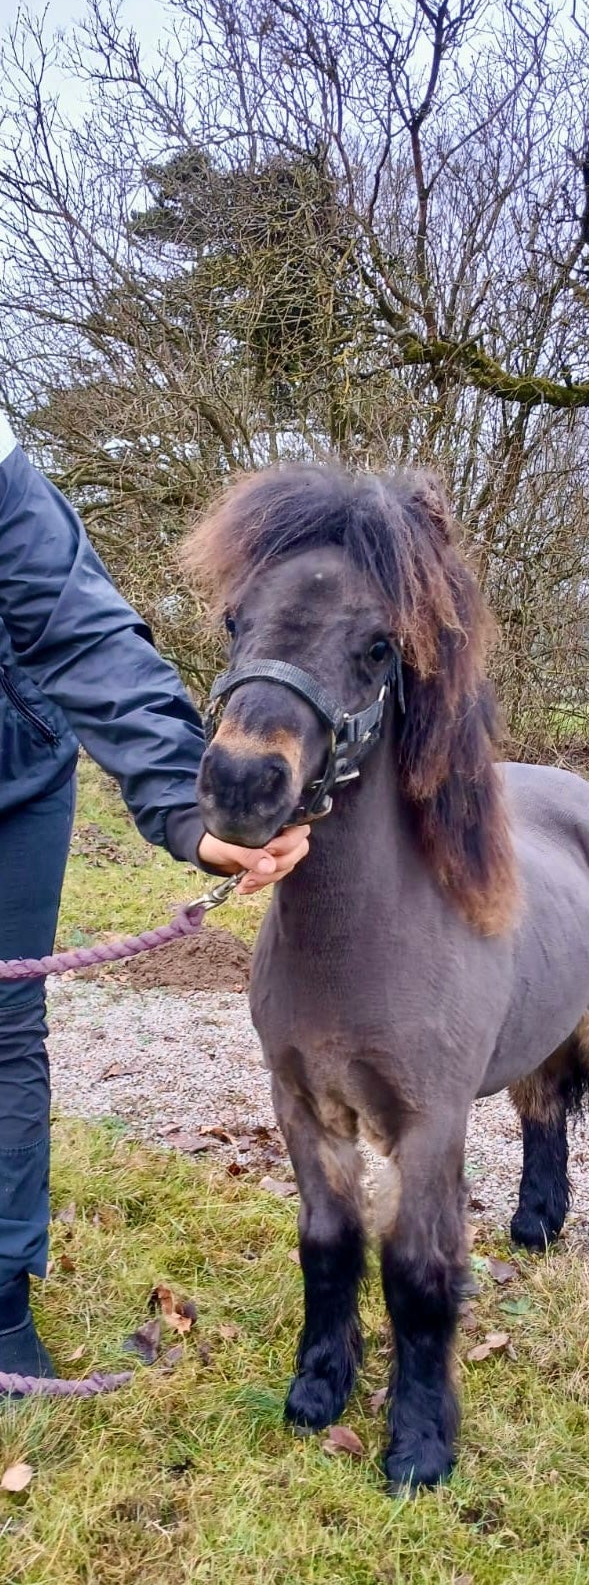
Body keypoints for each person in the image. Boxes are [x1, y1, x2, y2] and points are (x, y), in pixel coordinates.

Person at [0, 412, 309, 1384]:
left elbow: (73, 621)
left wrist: (187, 798)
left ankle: (1, 1301)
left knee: (4, 1028)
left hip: (11, 770)